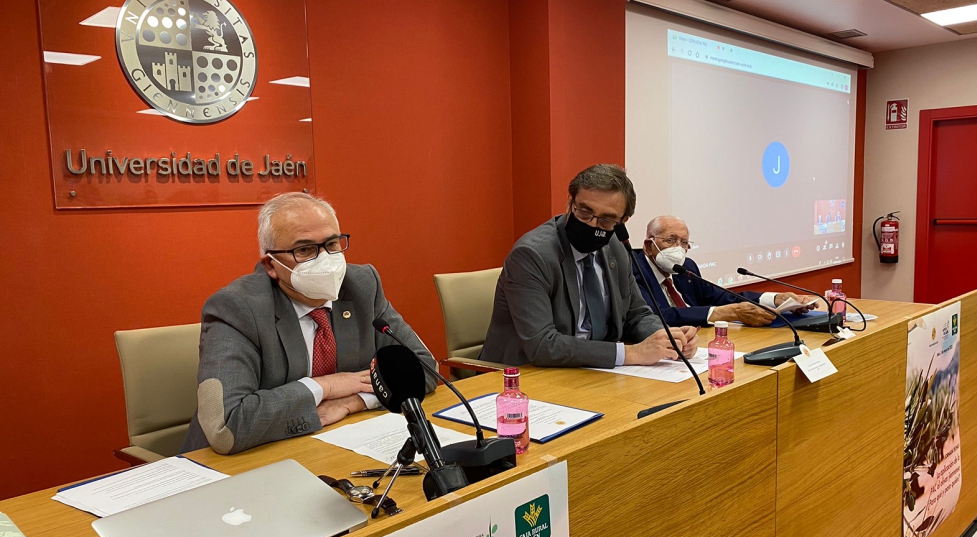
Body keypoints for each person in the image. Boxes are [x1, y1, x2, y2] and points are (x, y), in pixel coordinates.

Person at [180, 192, 436, 455]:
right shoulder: (236, 308)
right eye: (304, 250)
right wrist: (325, 386)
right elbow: (228, 426)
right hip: (241, 464)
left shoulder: (362, 286)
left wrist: (354, 400)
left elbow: (425, 369)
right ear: (271, 264)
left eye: (332, 244)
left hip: (334, 447)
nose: (325, 259)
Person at [480, 164, 698, 368]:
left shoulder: (616, 247)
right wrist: (632, 354)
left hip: (592, 371)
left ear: (623, 221)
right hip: (523, 376)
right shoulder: (532, 255)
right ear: (569, 203)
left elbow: (636, 314)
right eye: (584, 212)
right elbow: (542, 345)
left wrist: (667, 338)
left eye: (606, 220)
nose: (593, 225)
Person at [633, 215, 814, 328]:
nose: (678, 249)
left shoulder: (686, 267)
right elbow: (659, 316)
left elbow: (722, 297)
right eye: (671, 240)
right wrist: (731, 313)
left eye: (684, 242)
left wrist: (775, 299)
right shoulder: (633, 272)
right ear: (649, 246)